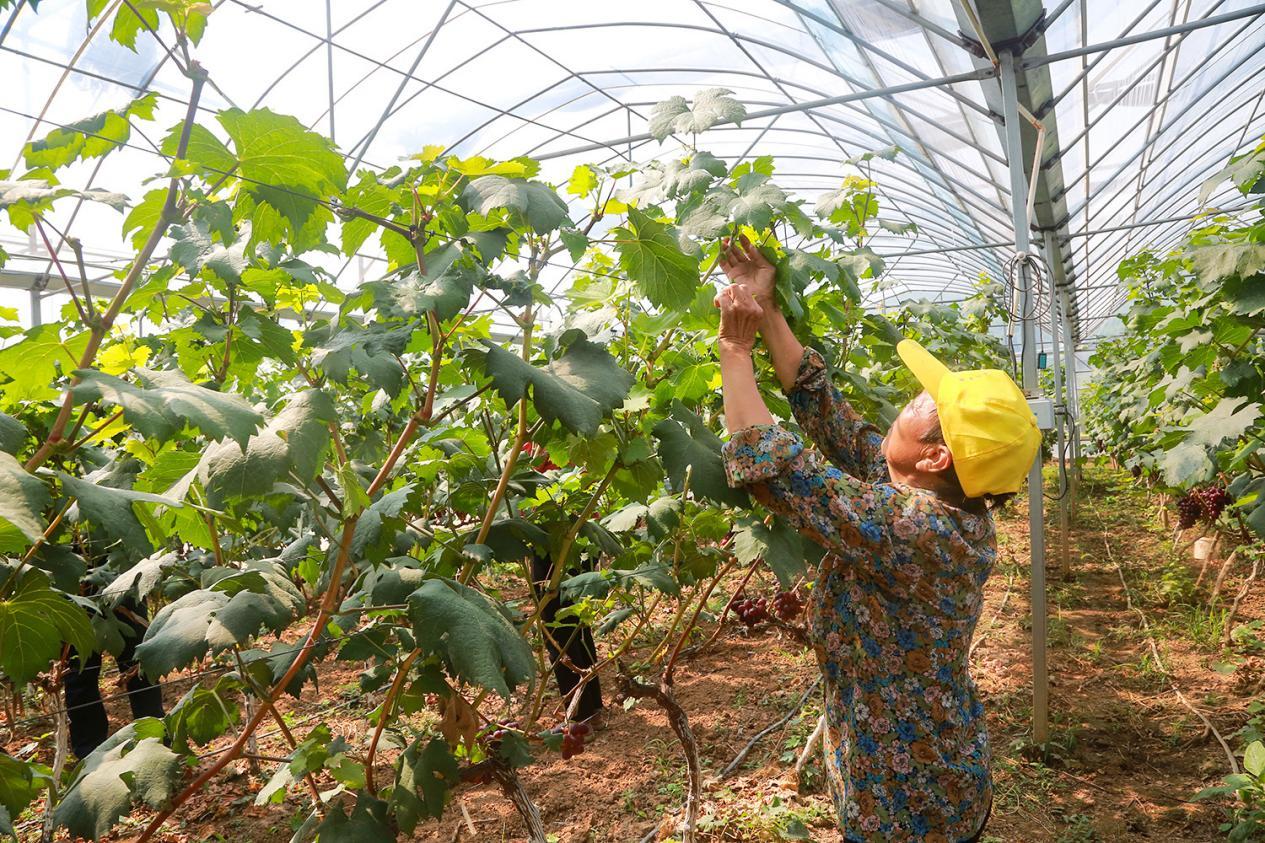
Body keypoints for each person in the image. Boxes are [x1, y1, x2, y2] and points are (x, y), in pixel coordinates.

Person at [712, 237, 1040, 843]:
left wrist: (736, 348)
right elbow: (831, 418)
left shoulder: (916, 532)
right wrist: (771, 309)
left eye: (929, 404)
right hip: (909, 775)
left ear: (938, 454)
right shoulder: (938, 503)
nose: (914, 400)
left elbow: (781, 472)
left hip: (912, 804)